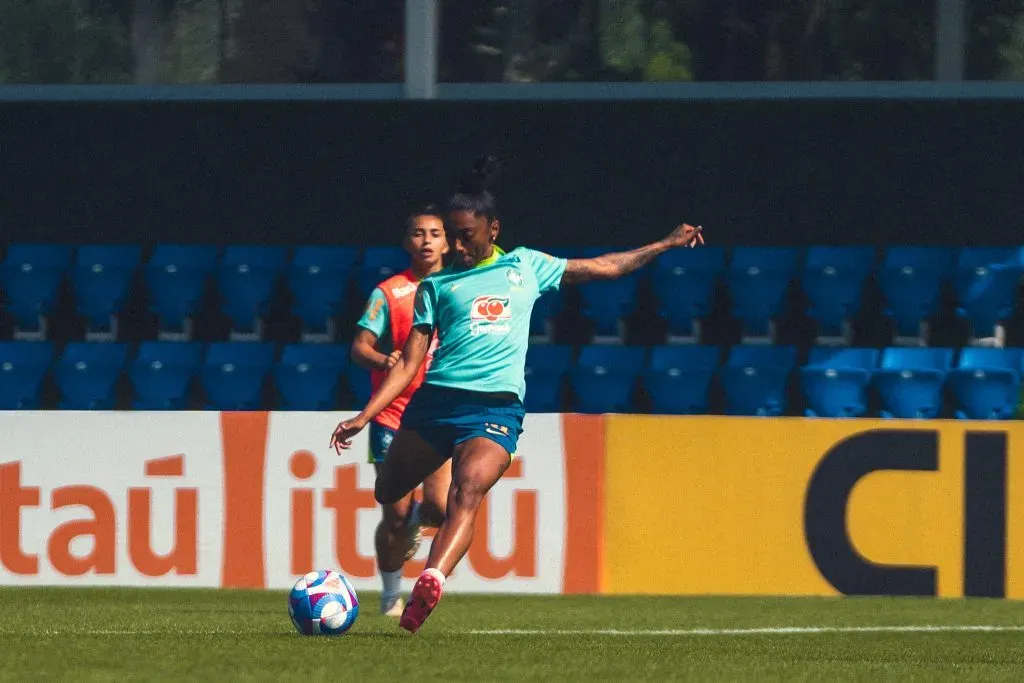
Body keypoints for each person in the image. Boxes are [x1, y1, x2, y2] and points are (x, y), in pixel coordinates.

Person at [331, 158, 703, 633]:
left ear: (493, 229)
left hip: (495, 407)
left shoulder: (525, 265)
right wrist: (364, 416)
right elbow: (408, 363)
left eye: (466, 235)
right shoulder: (435, 286)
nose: (457, 246)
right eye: (452, 236)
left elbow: (605, 267)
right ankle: (412, 538)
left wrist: (665, 244)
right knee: (388, 492)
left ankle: (431, 579)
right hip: (435, 405)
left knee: (467, 492)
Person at [349, 205, 452, 617]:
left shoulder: (460, 287)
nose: (426, 240)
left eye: (435, 233)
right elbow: (359, 347)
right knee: (395, 514)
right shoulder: (389, 293)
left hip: (438, 413)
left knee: (441, 509)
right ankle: (391, 593)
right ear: (406, 241)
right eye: (418, 233)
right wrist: (382, 359)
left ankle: (414, 528)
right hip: (392, 415)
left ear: (448, 242)